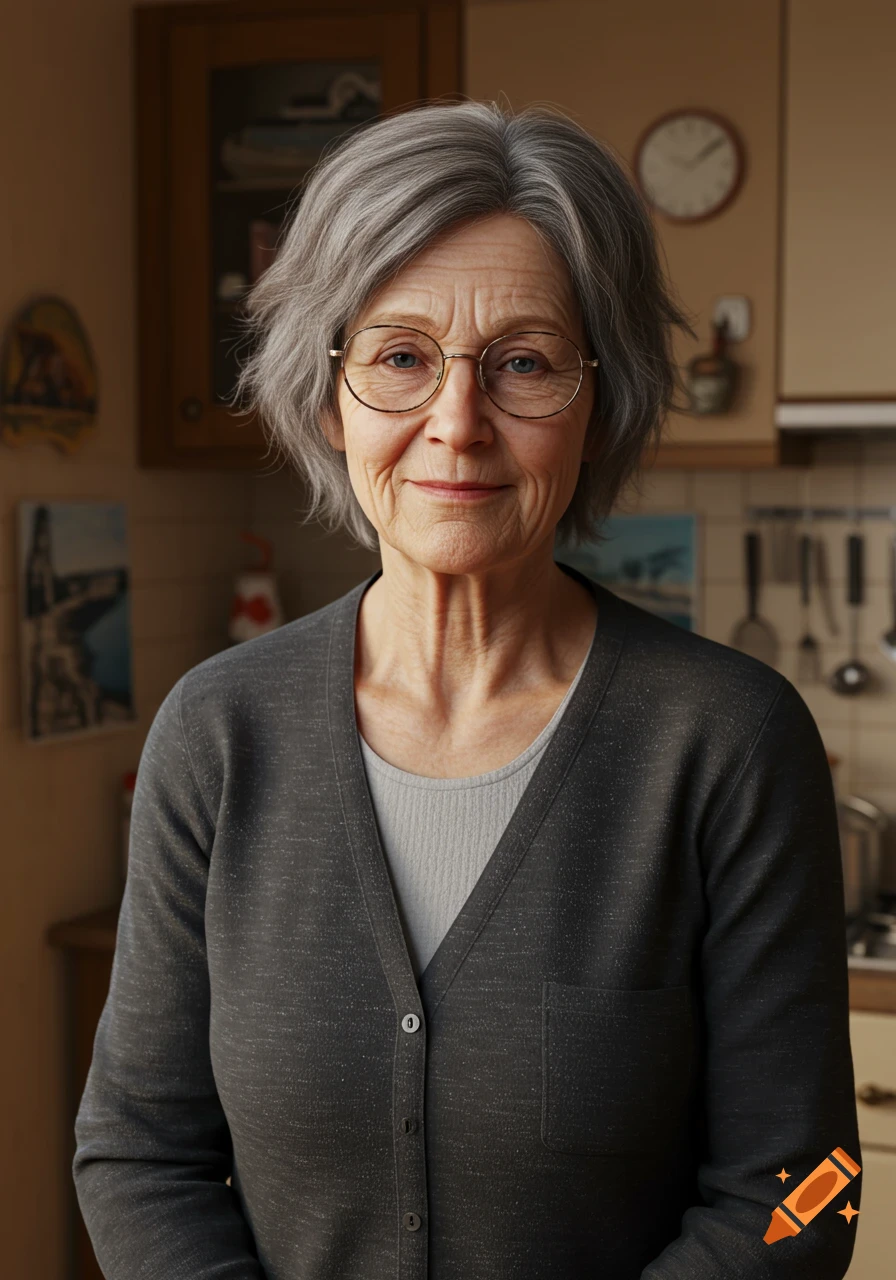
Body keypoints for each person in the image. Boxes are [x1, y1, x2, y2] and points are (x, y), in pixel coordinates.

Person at [72, 98, 860, 1279]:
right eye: (399, 357)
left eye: (523, 364)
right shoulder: (219, 733)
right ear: (330, 396)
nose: (456, 423)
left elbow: (810, 1191)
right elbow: (134, 1151)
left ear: (599, 403)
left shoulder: (728, 741)